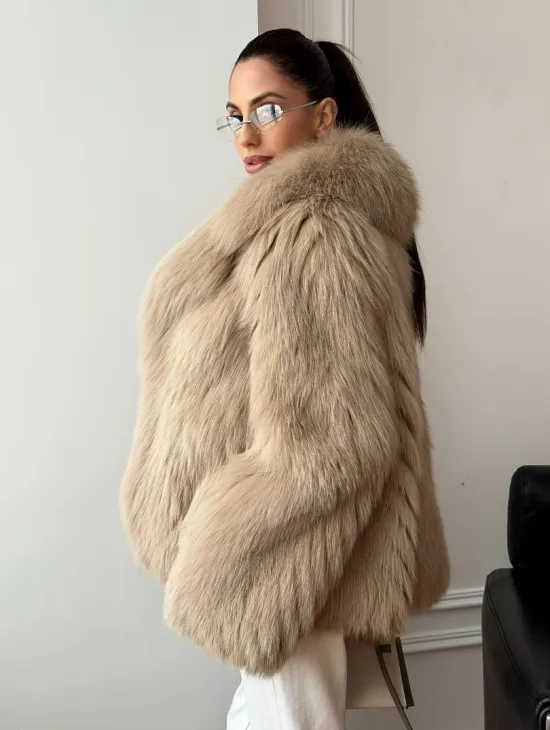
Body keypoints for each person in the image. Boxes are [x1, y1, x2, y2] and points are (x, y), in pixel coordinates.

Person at [122, 28, 450, 730]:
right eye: (235, 116)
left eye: (268, 110)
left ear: (324, 115)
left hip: (290, 568)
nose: (247, 135)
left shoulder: (312, 234)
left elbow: (331, 444)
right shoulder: (285, 225)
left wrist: (230, 559)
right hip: (294, 566)